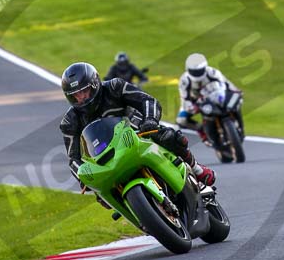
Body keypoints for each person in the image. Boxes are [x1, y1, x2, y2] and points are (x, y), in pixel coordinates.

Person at [60, 62, 216, 188]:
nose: (81, 97)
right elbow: (73, 158)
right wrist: (84, 177)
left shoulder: (114, 87)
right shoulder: (70, 120)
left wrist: (150, 120)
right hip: (106, 157)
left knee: (171, 137)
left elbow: (147, 100)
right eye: (75, 95)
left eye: (84, 91)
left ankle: (197, 169)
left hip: (139, 134)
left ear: (94, 84)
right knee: (101, 195)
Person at [176, 53, 245, 142]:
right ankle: (202, 131)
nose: (197, 74)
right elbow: (184, 99)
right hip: (194, 101)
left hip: (213, 95)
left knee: (237, 102)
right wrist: (192, 107)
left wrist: (236, 91)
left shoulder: (213, 73)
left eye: (199, 71)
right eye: (194, 71)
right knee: (181, 120)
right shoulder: (184, 80)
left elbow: (226, 83)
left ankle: (240, 127)